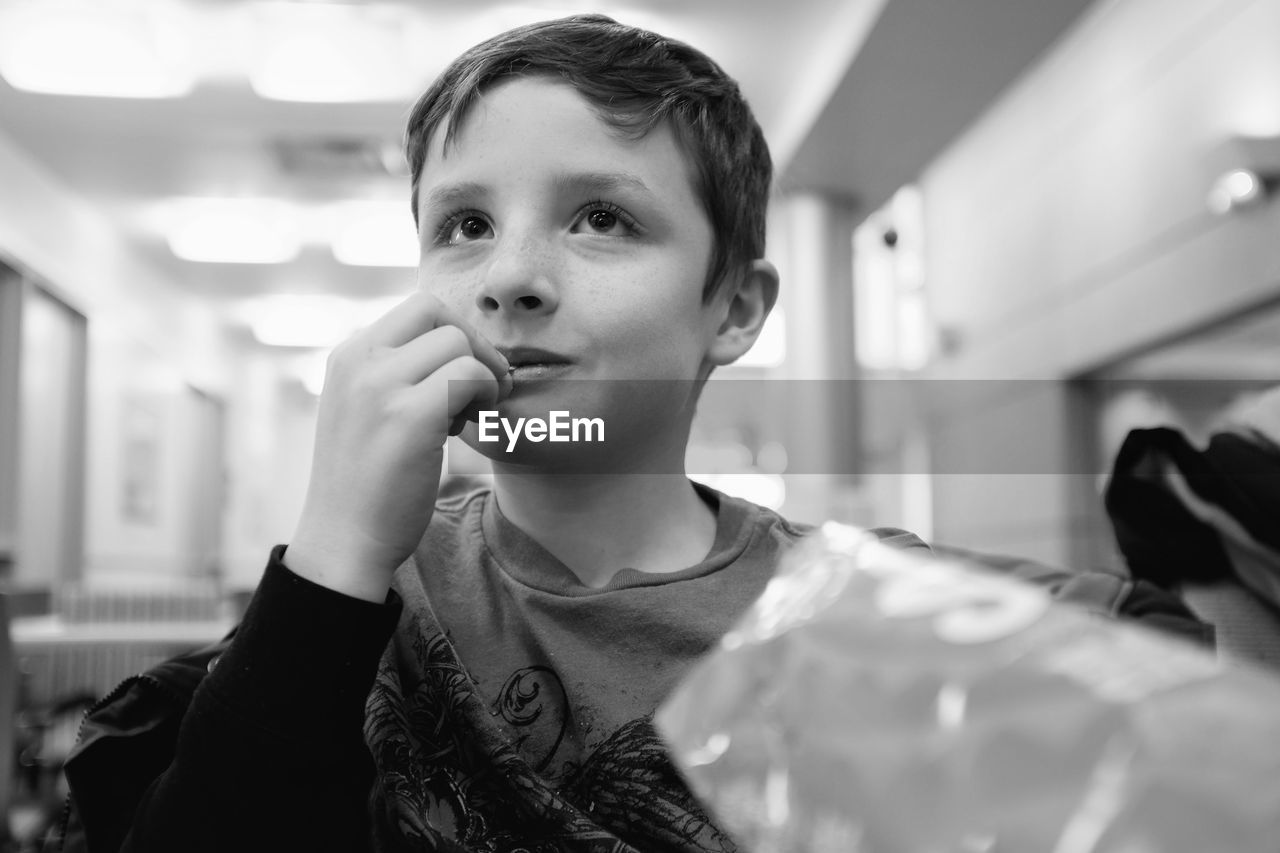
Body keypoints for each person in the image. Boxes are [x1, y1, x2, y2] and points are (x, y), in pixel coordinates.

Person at [57, 13, 928, 853]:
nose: (510, 277)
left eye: (602, 218)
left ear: (734, 307)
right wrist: (333, 551)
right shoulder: (351, 601)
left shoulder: (873, 620)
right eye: (467, 226)